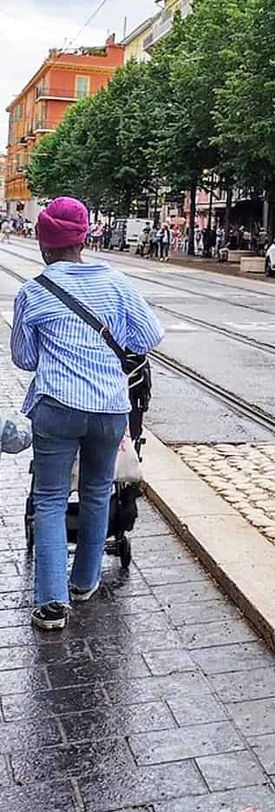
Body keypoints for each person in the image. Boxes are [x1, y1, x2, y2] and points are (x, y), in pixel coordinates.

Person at [10, 196, 163, 631]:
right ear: (84, 238)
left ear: (43, 242)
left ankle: (51, 602)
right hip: (110, 409)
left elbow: (23, 358)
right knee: (97, 492)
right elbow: (150, 335)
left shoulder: (33, 291)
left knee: (51, 498)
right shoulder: (117, 284)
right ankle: (85, 582)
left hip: (56, 408)